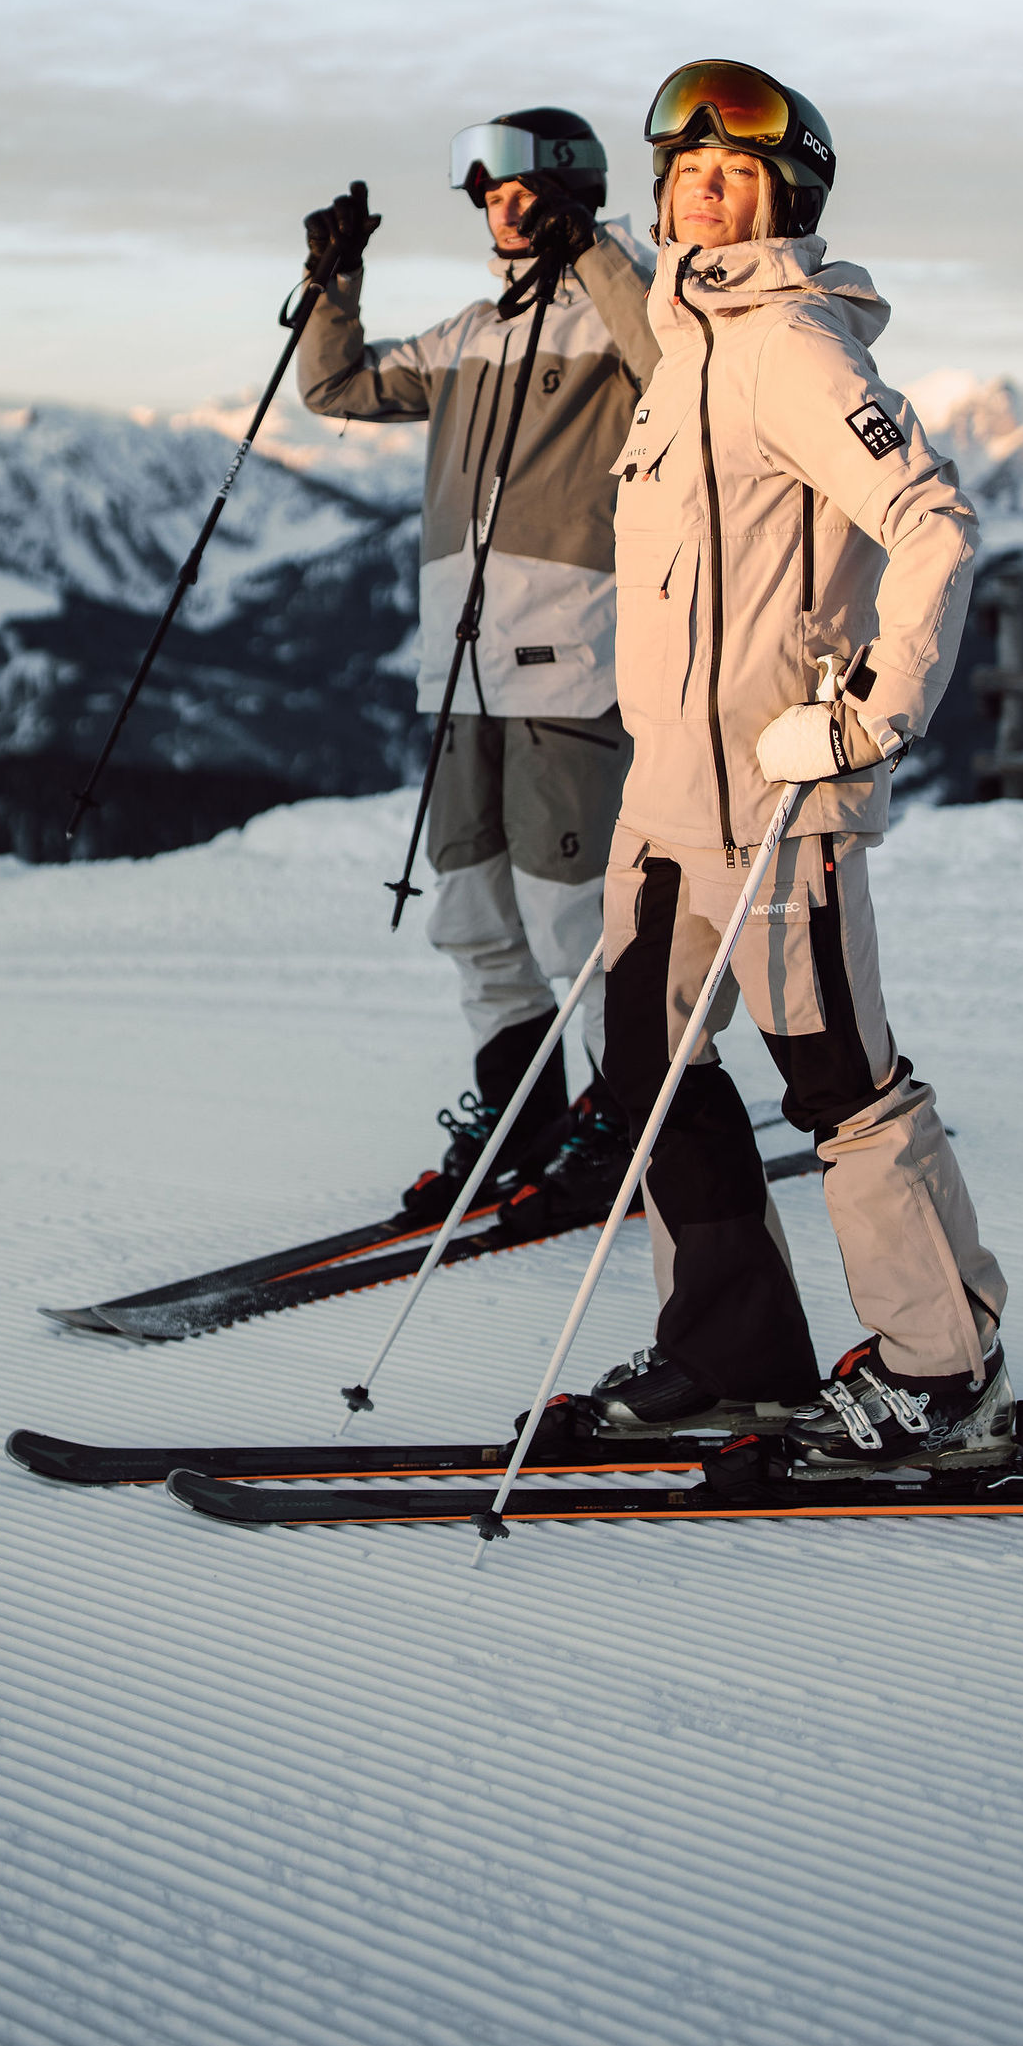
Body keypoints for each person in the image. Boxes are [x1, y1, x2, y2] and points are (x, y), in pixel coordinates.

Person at [557, 59, 1010, 1467]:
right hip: (666, 806)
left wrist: (869, 712)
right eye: (688, 167)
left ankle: (948, 1369)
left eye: (737, 171)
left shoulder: (795, 346)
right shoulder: (680, 347)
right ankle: (732, 1348)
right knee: (644, 1072)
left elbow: (934, 522)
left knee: (842, 1087)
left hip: (781, 800)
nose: (707, 184)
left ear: (784, 195)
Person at [298, 112, 662, 1223]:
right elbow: (338, 388)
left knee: (573, 916)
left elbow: (677, 370)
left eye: (514, 188)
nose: (495, 206)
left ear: (567, 191)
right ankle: (523, 1115)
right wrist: (330, 278)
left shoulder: (622, 305)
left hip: (572, 656)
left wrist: (593, 248)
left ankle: (625, 1124)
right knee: (471, 909)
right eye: (484, 192)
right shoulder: (467, 333)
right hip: (458, 663)